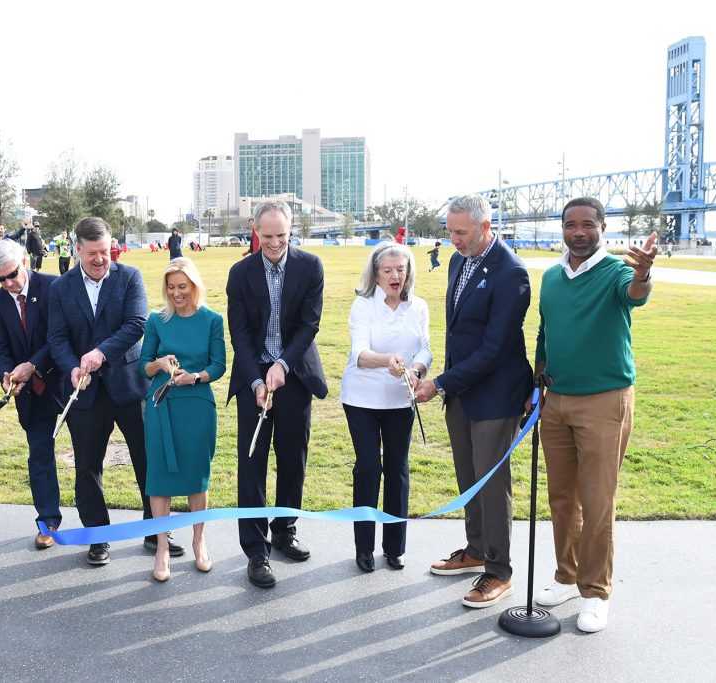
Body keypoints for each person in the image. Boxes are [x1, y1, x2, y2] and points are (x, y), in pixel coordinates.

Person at [532, 197, 657, 633]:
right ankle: (567, 576)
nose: (579, 232)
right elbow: (546, 332)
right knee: (562, 497)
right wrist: (539, 381)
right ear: (562, 228)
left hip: (605, 400)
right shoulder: (551, 277)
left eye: (588, 224)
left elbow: (635, 294)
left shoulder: (617, 272)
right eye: (571, 224)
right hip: (556, 400)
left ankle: (595, 592)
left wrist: (643, 273)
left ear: (603, 228)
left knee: (598, 499)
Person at [414, 194, 533, 609]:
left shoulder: (511, 273)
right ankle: (477, 549)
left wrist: (441, 383)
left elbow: (495, 348)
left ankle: (499, 572)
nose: (453, 239)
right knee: (469, 478)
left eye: (460, 232)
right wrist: (445, 380)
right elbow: (459, 333)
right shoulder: (457, 261)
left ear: (485, 227)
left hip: (495, 396)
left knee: (491, 483)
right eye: (449, 230)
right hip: (461, 391)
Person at [48, 217, 182, 565]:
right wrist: (74, 367)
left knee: (147, 460)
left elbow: (136, 324)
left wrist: (100, 352)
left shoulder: (130, 277)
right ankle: (98, 536)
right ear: (77, 250)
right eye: (92, 253)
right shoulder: (60, 288)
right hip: (85, 393)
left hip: (130, 387)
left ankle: (157, 533)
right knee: (87, 466)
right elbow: (57, 339)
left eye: (105, 252)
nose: (99, 260)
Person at [226, 200, 327, 588]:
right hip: (254, 376)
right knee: (251, 463)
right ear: (254, 228)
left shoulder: (310, 266)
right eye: (266, 236)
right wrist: (256, 382)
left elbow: (309, 325)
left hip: (294, 375)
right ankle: (256, 550)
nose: (274, 243)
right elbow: (240, 333)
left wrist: (282, 366)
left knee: (292, 458)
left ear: (291, 229)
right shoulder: (240, 273)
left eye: (281, 236)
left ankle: (284, 529)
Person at [341, 242, 432, 573]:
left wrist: (416, 370)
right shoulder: (363, 305)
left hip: (400, 399)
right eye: (388, 270)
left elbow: (425, 349)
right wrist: (389, 362)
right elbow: (359, 355)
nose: (396, 276)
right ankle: (363, 547)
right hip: (361, 399)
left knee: (398, 468)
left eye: (401, 269)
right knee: (368, 468)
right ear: (376, 274)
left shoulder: (418, 306)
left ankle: (395, 547)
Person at [141, 257, 226, 581]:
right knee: (159, 477)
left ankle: (199, 541)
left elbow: (219, 365)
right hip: (162, 405)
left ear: (193, 286)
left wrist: (197, 376)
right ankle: (162, 547)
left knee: (197, 475)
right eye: (171, 287)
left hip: (197, 404)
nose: (176, 293)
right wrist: (160, 363)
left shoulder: (212, 320)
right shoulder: (156, 320)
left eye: (182, 287)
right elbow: (143, 366)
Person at [0, 240, 63, 550]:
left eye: (12, 275)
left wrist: (33, 365)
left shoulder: (54, 287)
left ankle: (96, 530)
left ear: (24, 260)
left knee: (87, 457)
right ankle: (48, 522)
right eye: (0, 279)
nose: (8, 283)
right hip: (29, 393)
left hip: (66, 382)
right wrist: (6, 374)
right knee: (40, 456)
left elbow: (61, 336)